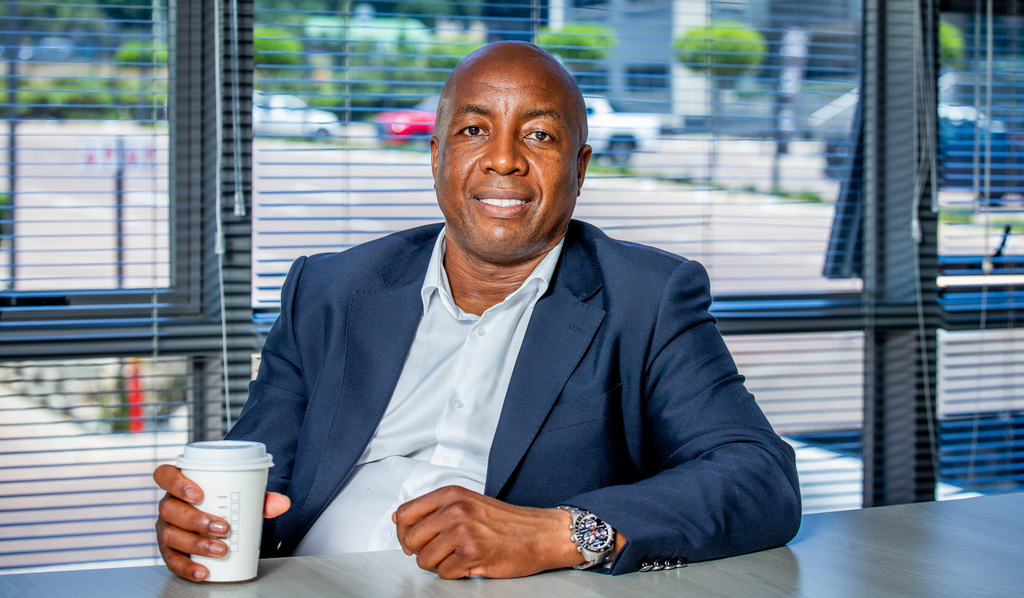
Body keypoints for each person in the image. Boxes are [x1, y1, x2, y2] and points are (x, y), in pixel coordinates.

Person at [154, 41, 800, 582]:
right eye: (473, 130)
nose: (504, 159)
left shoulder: (647, 297)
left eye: (539, 135)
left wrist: (561, 532)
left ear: (580, 168)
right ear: (436, 154)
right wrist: (201, 523)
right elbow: (257, 470)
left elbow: (758, 477)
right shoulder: (329, 289)